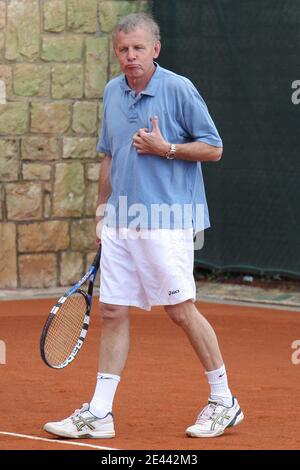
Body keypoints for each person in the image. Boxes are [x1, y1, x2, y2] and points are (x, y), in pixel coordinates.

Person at [44, 12, 244, 439]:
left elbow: (214, 148)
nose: (130, 56)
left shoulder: (178, 88)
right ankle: (99, 413)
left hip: (167, 218)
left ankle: (225, 401)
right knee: (113, 310)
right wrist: (101, 211)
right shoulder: (113, 92)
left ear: (155, 48)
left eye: (138, 48)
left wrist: (165, 147)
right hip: (121, 219)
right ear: (116, 52)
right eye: (123, 49)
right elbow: (109, 155)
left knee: (179, 310)